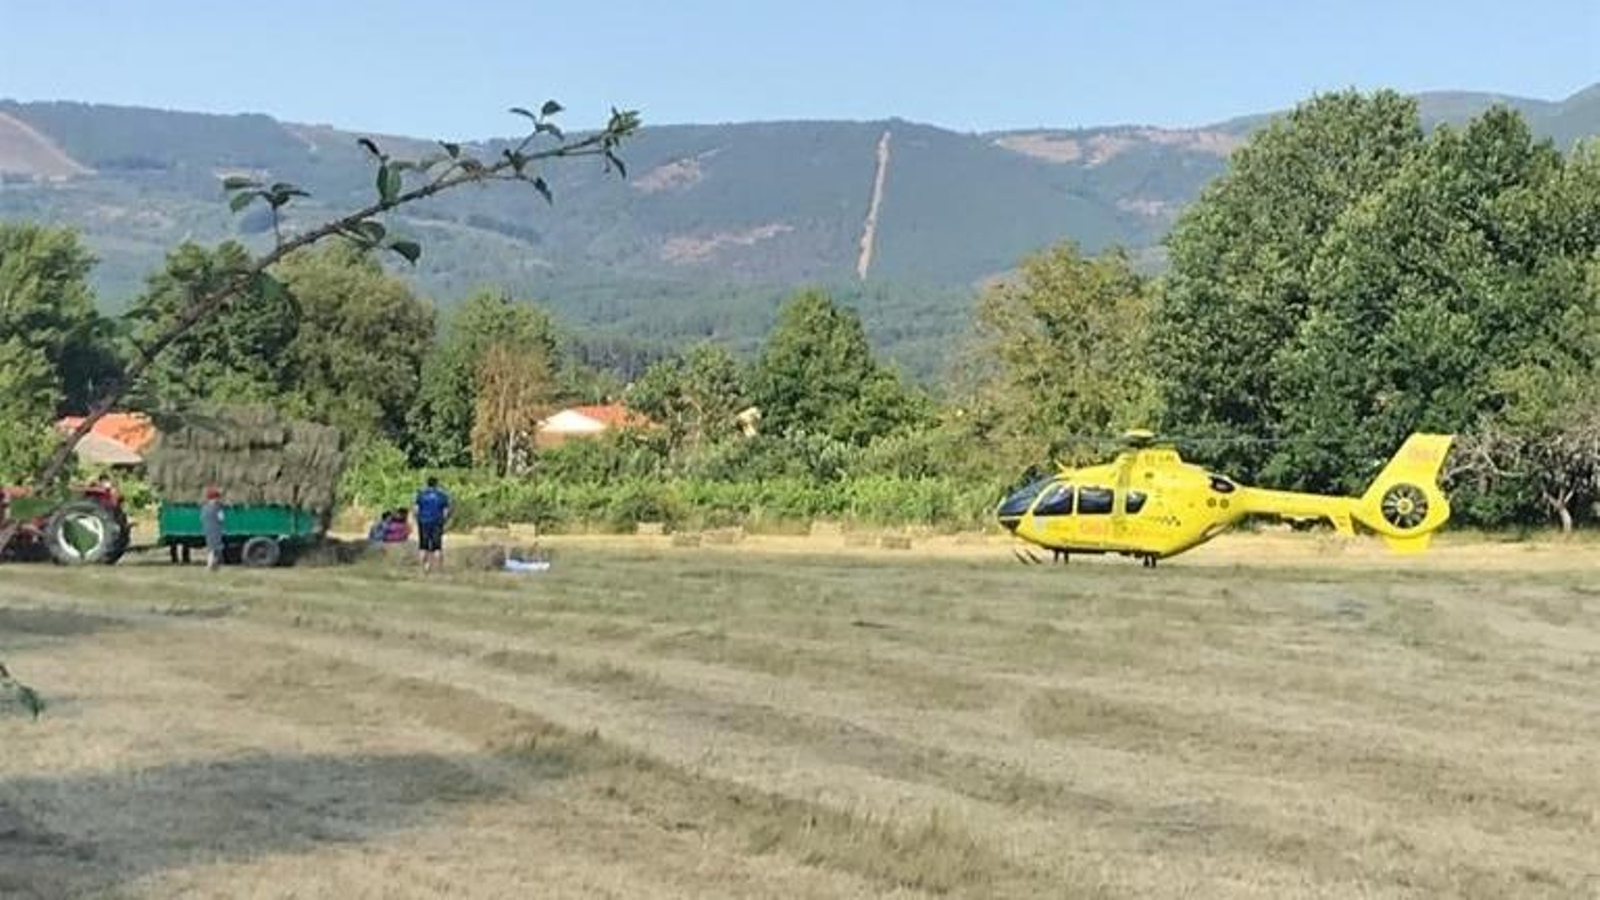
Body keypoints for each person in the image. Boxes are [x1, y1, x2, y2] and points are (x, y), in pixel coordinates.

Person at [414, 477, 451, 572]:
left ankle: (423, 568)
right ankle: (438, 569)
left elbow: (416, 510)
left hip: (423, 522)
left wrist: (418, 520)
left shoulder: (421, 495)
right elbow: (446, 512)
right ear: (436, 484)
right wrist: (444, 521)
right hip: (437, 522)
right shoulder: (442, 495)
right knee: (437, 546)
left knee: (423, 546)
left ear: (427, 484)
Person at [201, 485, 226, 571]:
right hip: (216, 529)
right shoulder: (217, 507)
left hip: (207, 529)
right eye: (217, 497)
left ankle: (211, 564)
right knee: (216, 548)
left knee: (210, 548)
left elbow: (202, 518)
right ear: (215, 497)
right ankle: (212, 565)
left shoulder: (204, 507)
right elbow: (221, 518)